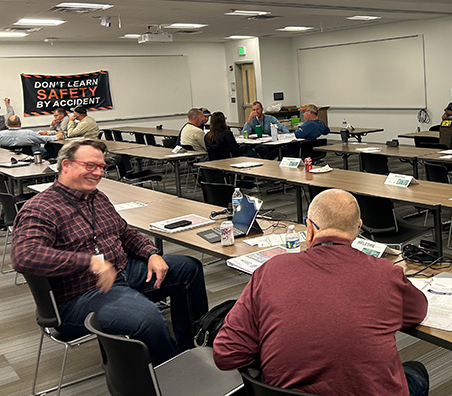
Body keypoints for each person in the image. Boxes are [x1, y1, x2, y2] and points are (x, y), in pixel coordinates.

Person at [213, 189, 429, 396]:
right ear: (358, 229)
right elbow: (417, 312)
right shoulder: (386, 273)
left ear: (309, 228)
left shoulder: (271, 270)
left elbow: (226, 355)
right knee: (415, 371)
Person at [11, 139, 209, 365]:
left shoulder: (97, 197)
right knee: (148, 318)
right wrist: (89, 262)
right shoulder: (41, 208)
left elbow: (125, 232)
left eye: (102, 167)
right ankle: (173, 374)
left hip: (122, 272)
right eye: (90, 166)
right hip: (81, 294)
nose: (98, 173)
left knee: (188, 268)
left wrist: (152, 254)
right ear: (66, 165)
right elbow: (24, 255)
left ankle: (189, 349)